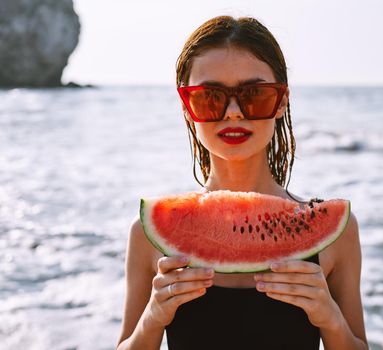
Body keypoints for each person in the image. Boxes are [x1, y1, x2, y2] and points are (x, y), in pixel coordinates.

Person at [116, 16, 368, 350]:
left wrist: (330, 319)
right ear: (188, 106)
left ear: (281, 102)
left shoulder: (339, 233)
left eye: (255, 95)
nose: (233, 112)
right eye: (210, 97)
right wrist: (152, 318)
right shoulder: (146, 235)